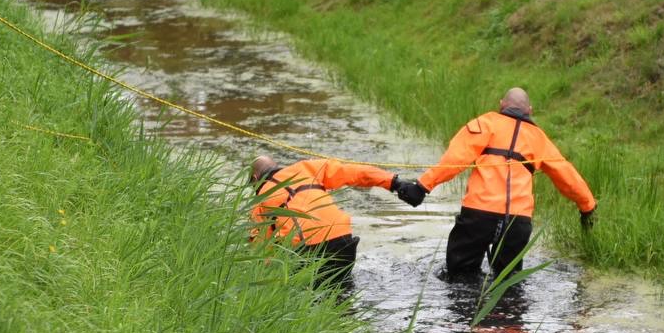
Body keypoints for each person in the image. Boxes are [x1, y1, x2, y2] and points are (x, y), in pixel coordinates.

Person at [394, 87, 596, 277]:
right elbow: (567, 175)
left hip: (478, 216)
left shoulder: (484, 124)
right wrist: (588, 207)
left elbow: (454, 160)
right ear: (529, 110)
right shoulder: (539, 139)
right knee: (508, 283)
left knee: (459, 278)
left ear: (501, 105)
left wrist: (422, 187)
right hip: (517, 222)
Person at [249, 155, 405, 287]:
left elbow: (262, 254)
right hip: (343, 240)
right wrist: (394, 182)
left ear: (255, 179)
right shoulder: (307, 168)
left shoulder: (260, 201)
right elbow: (355, 172)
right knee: (343, 290)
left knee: (312, 297)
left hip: (306, 249)